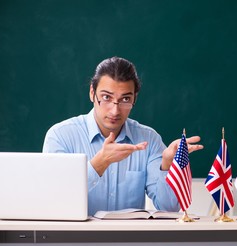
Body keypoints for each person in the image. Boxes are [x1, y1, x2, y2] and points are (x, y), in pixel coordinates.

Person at [43, 56, 203, 216]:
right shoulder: (60, 136)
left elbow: (169, 208)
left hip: (131, 239)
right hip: (75, 239)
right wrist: (99, 163)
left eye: (125, 99)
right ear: (92, 93)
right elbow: (55, 200)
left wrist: (168, 164)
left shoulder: (149, 139)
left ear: (135, 98)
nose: (115, 111)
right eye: (106, 98)